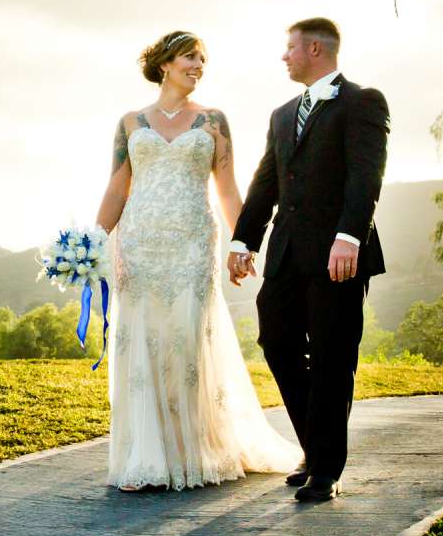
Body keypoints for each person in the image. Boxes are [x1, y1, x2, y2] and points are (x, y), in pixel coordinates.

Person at [94, 30, 297, 493]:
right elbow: (116, 187)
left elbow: (226, 189)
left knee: (186, 342)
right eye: (190, 57)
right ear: (165, 63)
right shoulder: (130, 122)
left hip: (191, 243)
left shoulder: (214, 122)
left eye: (202, 60)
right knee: (142, 341)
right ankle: (144, 457)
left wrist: (240, 244)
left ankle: (191, 452)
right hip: (140, 244)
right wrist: (92, 241)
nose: (198, 66)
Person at [227, 18, 389, 503]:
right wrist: (243, 242)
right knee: (275, 340)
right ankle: (314, 446)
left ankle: (325, 468)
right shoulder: (281, 115)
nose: (284, 57)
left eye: (290, 48)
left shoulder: (362, 102)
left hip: (339, 254)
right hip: (286, 256)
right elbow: (265, 183)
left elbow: (366, 175)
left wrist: (349, 237)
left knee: (333, 356)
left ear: (314, 48)